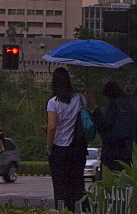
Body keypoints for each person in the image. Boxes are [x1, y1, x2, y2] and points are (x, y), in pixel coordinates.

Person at [46, 67, 87, 211]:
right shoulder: (80, 98)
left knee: (61, 185)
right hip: (78, 147)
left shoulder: (53, 102)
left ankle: (64, 210)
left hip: (60, 148)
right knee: (78, 183)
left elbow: (52, 127)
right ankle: (82, 210)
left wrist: (49, 147)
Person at [86, 81, 137, 172]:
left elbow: (105, 125)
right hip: (128, 151)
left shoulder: (114, 104)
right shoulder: (131, 107)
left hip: (113, 151)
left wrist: (94, 107)